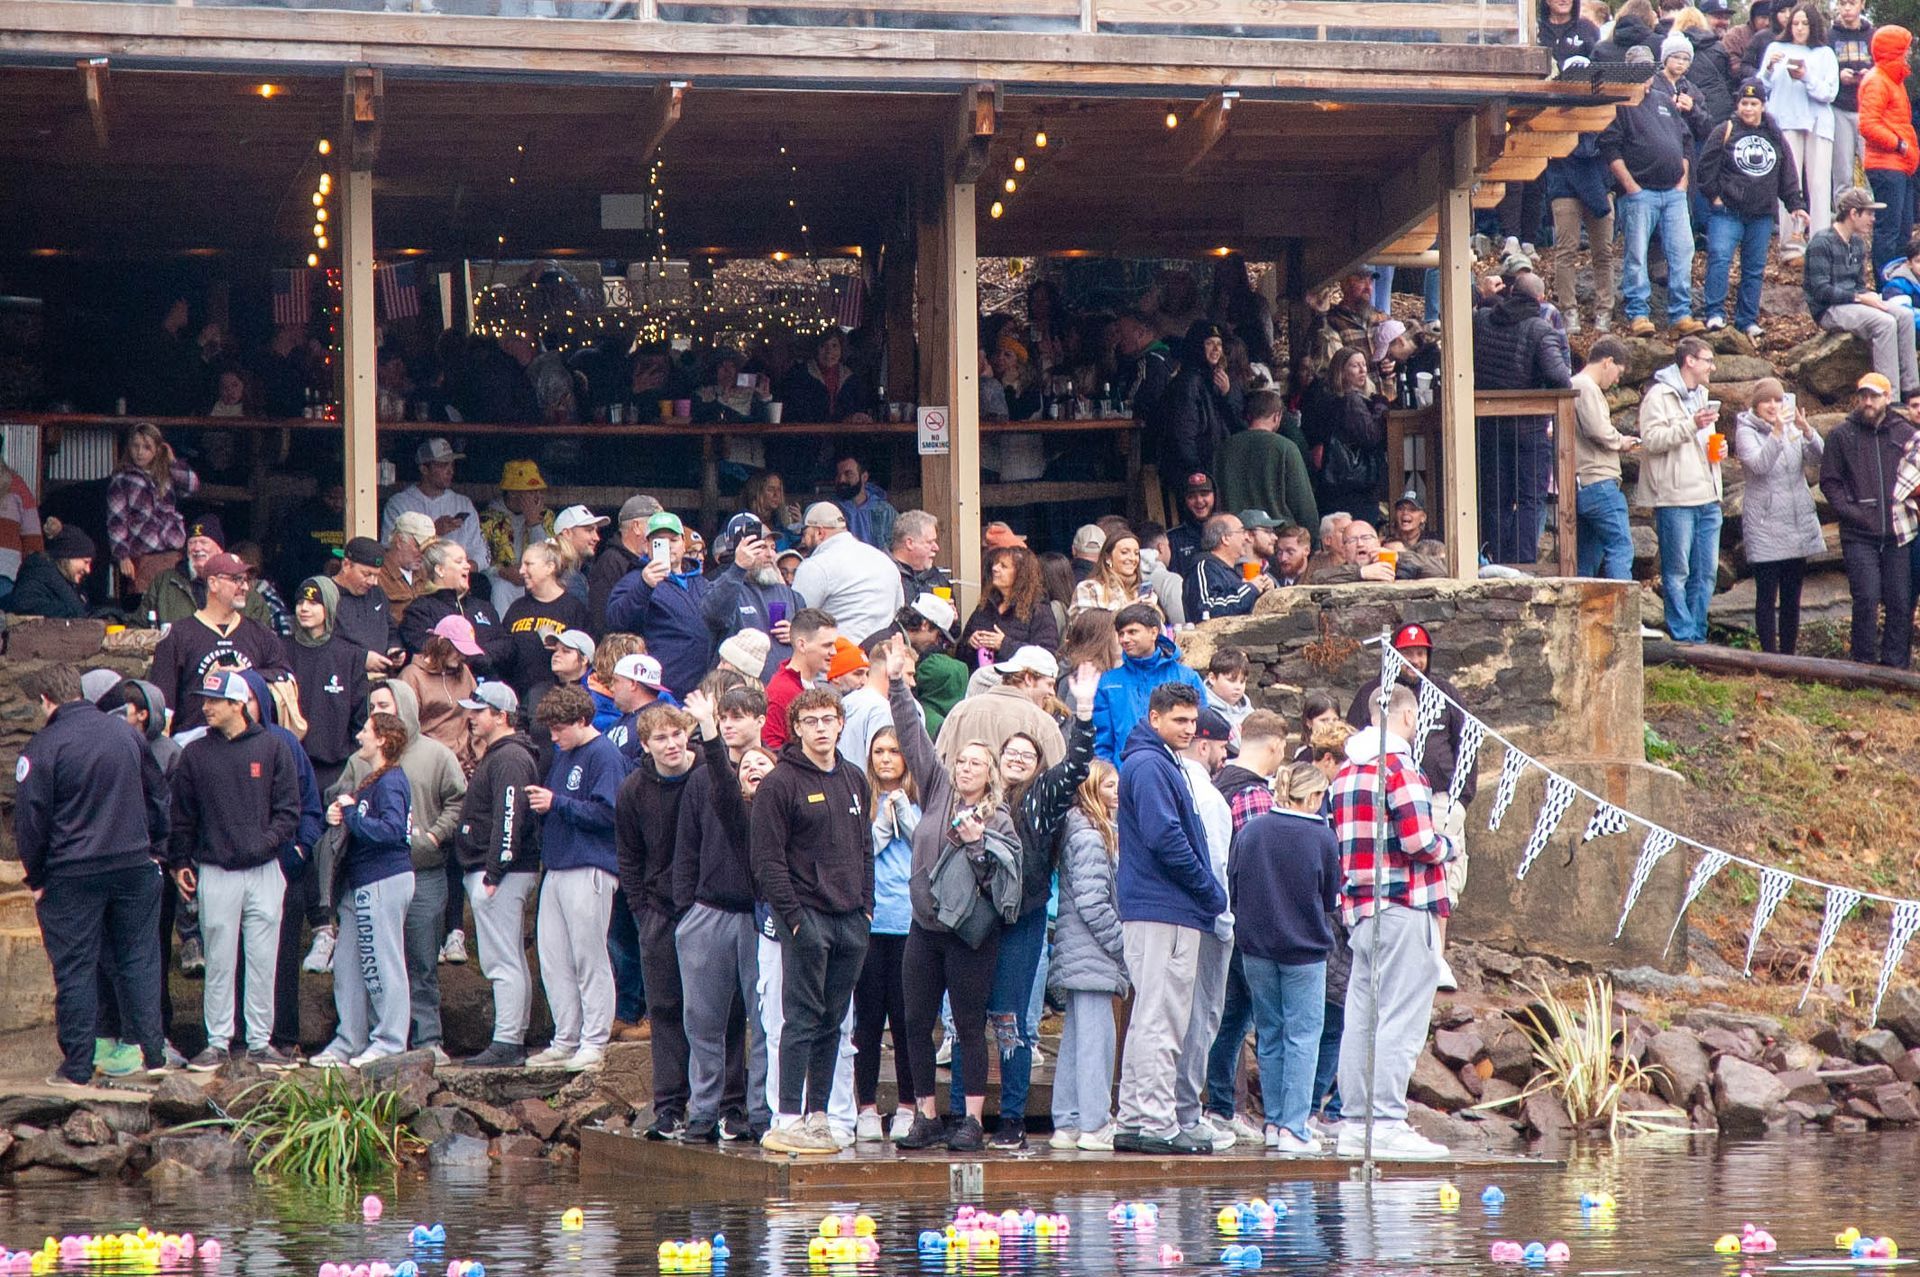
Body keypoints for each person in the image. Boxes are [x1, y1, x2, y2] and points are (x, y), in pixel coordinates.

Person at [937, 652, 1097, 1151]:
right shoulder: (981, 797)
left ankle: (1012, 1119)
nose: (1020, 759)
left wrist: (1085, 712)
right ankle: (967, 1117)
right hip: (972, 921)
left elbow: (1075, 768)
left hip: (1021, 919)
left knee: (1010, 1020)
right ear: (999, 759)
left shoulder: (1043, 795)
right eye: (1013, 754)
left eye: (1029, 755)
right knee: (968, 1021)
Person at [886, 663, 1021, 1154]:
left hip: (971, 935)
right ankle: (925, 1115)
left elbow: (1003, 886)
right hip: (924, 927)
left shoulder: (1000, 819)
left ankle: (971, 1119)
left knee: (967, 1026)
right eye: (960, 762)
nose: (964, 769)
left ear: (990, 776)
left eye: (974, 764)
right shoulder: (938, 790)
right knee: (915, 1020)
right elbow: (912, 735)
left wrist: (978, 846)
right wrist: (899, 684)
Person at [17, 664, 171, 1090]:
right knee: (140, 959)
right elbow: (158, 796)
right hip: (133, 865)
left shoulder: (44, 746)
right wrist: (156, 848)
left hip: (72, 871)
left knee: (76, 968)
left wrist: (37, 876)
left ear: (47, 702)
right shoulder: (127, 735)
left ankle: (79, 1066)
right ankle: (154, 1056)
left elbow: (31, 822)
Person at [1331, 684, 1455, 1159]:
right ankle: (1384, 1120)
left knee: (1361, 1019)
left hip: (1361, 913)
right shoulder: (1399, 767)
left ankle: (1354, 1122)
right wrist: (1451, 846)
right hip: (1404, 905)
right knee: (1400, 1019)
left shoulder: (1344, 772)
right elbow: (1420, 842)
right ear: (1406, 718)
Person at [750, 687, 871, 1154]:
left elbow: (865, 850)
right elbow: (766, 861)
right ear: (796, 728)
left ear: (841, 723)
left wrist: (866, 908)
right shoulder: (780, 783)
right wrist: (795, 921)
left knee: (833, 1022)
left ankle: (818, 1115)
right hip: (805, 916)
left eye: (829, 719)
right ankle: (787, 1116)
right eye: (812, 721)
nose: (821, 728)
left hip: (850, 920)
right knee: (798, 1020)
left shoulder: (855, 779)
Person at [1111, 683, 1226, 1155]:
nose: (1188, 728)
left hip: (1154, 908)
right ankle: (1158, 1122)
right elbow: (1165, 837)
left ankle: (1136, 1120)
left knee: (1148, 1015)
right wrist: (1209, 889)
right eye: (1178, 720)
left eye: (1191, 720)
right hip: (1167, 908)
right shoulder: (1153, 764)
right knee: (1163, 1020)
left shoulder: (1148, 761)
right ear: (1154, 718)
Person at [169, 671, 302, 1071]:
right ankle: (217, 1040)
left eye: (214, 700)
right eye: (205, 699)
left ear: (237, 704)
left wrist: (263, 845)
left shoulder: (274, 747)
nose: (206, 706)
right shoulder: (195, 753)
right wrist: (180, 862)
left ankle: (260, 1041)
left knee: (264, 957)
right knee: (220, 957)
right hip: (216, 869)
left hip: (264, 870)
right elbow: (182, 817)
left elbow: (289, 812)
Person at [673, 690, 772, 1143]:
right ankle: (703, 1110)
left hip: (759, 916)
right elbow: (686, 845)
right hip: (708, 909)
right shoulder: (703, 780)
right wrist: (686, 908)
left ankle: (760, 1109)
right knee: (702, 1021)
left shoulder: (776, 781)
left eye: (738, 717)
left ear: (761, 720)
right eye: (722, 718)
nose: (729, 725)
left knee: (764, 1020)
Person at [1231, 762, 1340, 1153]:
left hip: (1255, 949)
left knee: (1270, 1033)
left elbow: (1235, 883)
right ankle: (1295, 1127)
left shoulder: (1252, 830)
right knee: (1303, 1036)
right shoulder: (1322, 837)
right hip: (1304, 950)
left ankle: (1275, 1123)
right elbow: (1330, 898)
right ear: (1312, 797)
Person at [526, 683, 624, 1070]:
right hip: (558, 865)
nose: (553, 737)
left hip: (591, 866)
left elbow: (609, 814)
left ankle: (594, 1041)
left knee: (589, 957)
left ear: (582, 721)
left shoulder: (604, 755)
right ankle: (565, 1037)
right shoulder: (563, 753)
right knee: (554, 959)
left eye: (559, 728)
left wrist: (557, 804)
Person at [311, 712, 416, 1068]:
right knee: (347, 963)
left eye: (365, 731)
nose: (359, 737)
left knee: (381, 960)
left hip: (383, 878)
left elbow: (391, 831)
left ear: (383, 739)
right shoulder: (372, 780)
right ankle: (349, 1040)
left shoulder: (392, 782)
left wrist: (353, 815)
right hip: (359, 883)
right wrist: (338, 814)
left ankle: (389, 1040)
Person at [451, 682, 541, 1068]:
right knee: (508, 958)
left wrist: (494, 870)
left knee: (502, 960)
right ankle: (511, 1036)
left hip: (501, 874)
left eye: (479, 710)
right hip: (497, 870)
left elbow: (510, 815)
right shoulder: (502, 755)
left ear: (501, 716)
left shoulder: (509, 758)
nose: (470, 717)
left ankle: (507, 1040)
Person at [1602, 35, 1708, 336]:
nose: (1644, 75)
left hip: (1673, 193)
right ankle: (1637, 313)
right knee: (1635, 254)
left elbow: (1686, 140)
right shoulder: (1619, 103)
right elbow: (1610, 149)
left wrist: (1682, 180)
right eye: (1637, 69)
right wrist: (1631, 187)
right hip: (1639, 194)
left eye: (1648, 69)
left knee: (1682, 252)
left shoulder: (1664, 99)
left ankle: (1681, 315)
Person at [1048, 759, 1125, 1150]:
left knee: (1077, 1040)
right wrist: (1121, 942)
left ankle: (1067, 1122)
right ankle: (1094, 1123)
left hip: (1077, 952)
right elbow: (1094, 902)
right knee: (1097, 1042)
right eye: (1109, 786)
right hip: (1091, 953)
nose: (1117, 792)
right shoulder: (1092, 837)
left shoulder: (1080, 830)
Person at [1473, 272, 1573, 564]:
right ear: (1540, 299)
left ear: (1512, 290)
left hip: (1487, 426)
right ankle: (1524, 562)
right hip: (1528, 428)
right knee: (1530, 498)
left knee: (1496, 497)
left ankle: (1494, 559)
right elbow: (1560, 378)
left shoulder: (1481, 320)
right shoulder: (1540, 329)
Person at [1821, 371, 1917, 666]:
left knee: (1900, 601)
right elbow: (1830, 482)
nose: (1867, 401)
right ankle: (1861, 664)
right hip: (1859, 532)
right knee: (1866, 598)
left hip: (1899, 531)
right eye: (1863, 395)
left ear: (1888, 398)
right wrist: (1852, 512)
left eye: (1874, 396)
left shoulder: (1905, 433)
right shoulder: (1841, 435)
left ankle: (1895, 665)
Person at [1700, 79, 1808, 337]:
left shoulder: (1773, 133)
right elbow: (1705, 167)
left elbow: (1787, 172)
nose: (1748, 109)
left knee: (1754, 268)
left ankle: (1746, 319)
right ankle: (1714, 313)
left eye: (1754, 103)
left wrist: (1795, 203)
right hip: (1727, 212)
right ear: (1737, 105)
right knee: (1719, 258)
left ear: (1763, 105)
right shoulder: (1724, 130)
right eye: (1744, 103)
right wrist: (1714, 196)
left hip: (1761, 214)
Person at [852, 725, 918, 1143]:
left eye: (894, 751)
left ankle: (910, 1105)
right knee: (869, 1021)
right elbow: (857, 854)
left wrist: (907, 820)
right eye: (879, 751)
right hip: (871, 923)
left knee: (909, 1020)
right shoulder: (861, 800)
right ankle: (867, 1108)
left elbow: (931, 847)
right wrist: (879, 829)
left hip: (911, 923)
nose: (886, 758)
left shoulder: (923, 801)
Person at [1638, 337, 1725, 644]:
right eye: (1708, 360)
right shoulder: (1658, 396)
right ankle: (1683, 634)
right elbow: (1651, 440)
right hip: (1676, 498)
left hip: (1709, 497)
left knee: (1707, 574)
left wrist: (1719, 450)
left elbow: (1698, 442)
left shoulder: (1703, 395)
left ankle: (1697, 634)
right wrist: (1691, 425)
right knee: (1677, 573)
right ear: (1690, 361)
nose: (1712, 366)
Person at [149, 550, 290, 736]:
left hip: (248, 740)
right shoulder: (179, 634)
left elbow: (285, 675)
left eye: (246, 580)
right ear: (213, 583)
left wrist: (247, 676)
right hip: (195, 742)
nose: (245, 587)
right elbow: (162, 704)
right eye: (236, 579)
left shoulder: (259, 633)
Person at [1736, 380, 1826, 655]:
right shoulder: (1745, 431)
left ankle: (1789, 654)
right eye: (1766, 402)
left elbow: (1822, 456)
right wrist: (1776, 433)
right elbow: (1759, 465)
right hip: (1765, 521)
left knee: (1792, 594)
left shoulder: (1791, 427)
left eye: (1777, 401)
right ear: (1756, 405)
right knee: (1766, 594)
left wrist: (1807, 430)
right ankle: (1769, 655)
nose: (1773, 407)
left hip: (1796, 519)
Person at [1805, 188, 1920, 404]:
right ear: (1853, 214)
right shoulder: (1822, 243)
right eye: (1869, 214)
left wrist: (1870, 296)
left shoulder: (1857, 244)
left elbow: (1858, 284)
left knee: (1903, 317)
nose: (1873, 219)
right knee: (1884, 323)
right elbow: (1820, 291)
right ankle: (1890, 399)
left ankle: (1912, 392)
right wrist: (1860, 298)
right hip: (1828, 309)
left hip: (1854, 302)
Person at [608, 512, 714, 698]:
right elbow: (616, 621)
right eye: (659, 541)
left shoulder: (701, 582)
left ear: (683, 543)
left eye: (673, 540)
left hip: (706, 690)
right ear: (647, 546)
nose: (669, 547)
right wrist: (644, 586)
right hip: (666, 692)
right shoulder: (634, 580)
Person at [1760, 2, 1838, 246]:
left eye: (1805, 23)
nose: (1800, 28)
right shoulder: (1776, 47)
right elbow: (1761, 87)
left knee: (1819, 185)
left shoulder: (1824, 53)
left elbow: (1829, 93)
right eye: (1795, 23)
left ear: (1814, 26)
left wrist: (1805, 77)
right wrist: (1770, 68)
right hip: (1786, 121)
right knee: (1789, 185)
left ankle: (1820, 243)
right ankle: (1789, 242)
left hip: (1817, 123)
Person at [1091, 604, 1204, 765]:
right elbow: (1102, 743)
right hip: (1124, 777)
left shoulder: (1186, 677)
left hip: (1178, 773)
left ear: (1153, 632)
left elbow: (1201, 731)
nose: (1124, 639)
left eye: (1132, 632)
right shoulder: (1108, 683)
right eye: (1121, 634)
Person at [705, 514, 804, 683]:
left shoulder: (791, 595)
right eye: (761, 547)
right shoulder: (724, 587)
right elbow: (714, 616)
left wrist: (797, 635)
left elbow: (813, 643)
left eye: (773, 547)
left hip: (783, 694)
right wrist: (738, 567)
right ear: (740, 550)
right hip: (737, 694)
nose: (770, 554)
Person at [1571, 338, 1641, 580]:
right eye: (1618, 373)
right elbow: (1597, 429)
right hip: (1599, 482)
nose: (1617, 380)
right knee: (1621, 546)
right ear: (1608, 361)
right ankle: (1621, 611)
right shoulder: (1585, 386)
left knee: (1587, 558)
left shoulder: (1574, 385)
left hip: (1583, 483)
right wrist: (1620, 441)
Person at [107, 422, 201, 595]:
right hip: (144, 553)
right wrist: (122, 555)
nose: (140, 452)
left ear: (157, 450)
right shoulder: (122, 479)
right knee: (148, 599)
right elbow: (117, 520)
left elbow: (192, 485)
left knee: (174, 597)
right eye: (136, 446)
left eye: (146, 447)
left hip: (172, 550)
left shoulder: (167, 473)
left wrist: (172, 461)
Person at [792, 503, 904, 647]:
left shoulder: (815, 566)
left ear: (820, 533)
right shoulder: (884, 561)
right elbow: (899, 613)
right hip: (883, 660)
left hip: (839, 663)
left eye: (805, 534)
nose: (802, 541)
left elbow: (797, 622)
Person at [934, 645, 1066, 768]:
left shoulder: (960, 711)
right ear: (1028, 679)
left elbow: (937, 768)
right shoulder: (1043, 724)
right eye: (1049, 684)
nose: (1052, 692)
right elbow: (1058, 780)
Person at [397, 539, 508, 675]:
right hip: (444, 687)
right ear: (440, 570)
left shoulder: (483, 606)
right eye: (459, 561)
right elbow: (426, 649)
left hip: (490, 685)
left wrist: (483, 655)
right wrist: (471, 656)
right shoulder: (420, 610)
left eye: (467, 561)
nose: (467, 566)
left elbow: (506, 644)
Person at [1216, 389, 1319, 534]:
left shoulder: (1224, 449)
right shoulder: (1286, 448)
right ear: (1277, 416)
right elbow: (1303, 504)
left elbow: (1217, 499)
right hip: (1279, 539)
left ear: (1248, 416)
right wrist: (1313, 541)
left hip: (1236, 537)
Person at [1858, 26, 1916, 283]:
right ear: (1895, 50)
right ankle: (1885, 287)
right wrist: (1899, 145)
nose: (1910, 52)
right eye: (1906, 48)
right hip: (1886, 165)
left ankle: (1901, 287)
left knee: (1903, 230)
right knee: (1889, 231)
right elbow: (1868, 125)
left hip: (1901, 166)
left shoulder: (1894, 80)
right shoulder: (1877, 80)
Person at [1305, 346, 1388, 524]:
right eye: (1355, 366)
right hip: (1354, 484)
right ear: (1341, 371)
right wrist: (1380, 408)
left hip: (1338, 483)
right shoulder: (1351, 400)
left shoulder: (1332, 397)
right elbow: (1371, 436)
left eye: (1364, 365)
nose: (1362, 370)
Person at [499, 541, 592, 701]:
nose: (521, 571)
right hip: (517, 700)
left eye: (528, 564)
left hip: (557, 702)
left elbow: (586, 659)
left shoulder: (573, 608)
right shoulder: (517, 608)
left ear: (550, 567)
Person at [381, 438, 488, 573]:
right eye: (443, 465)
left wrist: (463, 569)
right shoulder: (399, 504)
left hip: (456, 583)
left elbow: (479, 551)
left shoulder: (463, 504)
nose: (450, 471)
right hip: (414, 583)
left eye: (451, 465)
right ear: (424, 469)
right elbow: (390, 552)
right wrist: (433, 533)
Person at [1159, 320, 1242, 481]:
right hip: (1196, 472)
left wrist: (1227, 394)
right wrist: (1196, 472)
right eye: (1210, 343)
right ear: (1197, 346)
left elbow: (1237, 422)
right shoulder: (1188, 382)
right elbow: (1183, 434)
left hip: (1216, 466)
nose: (1217, 349)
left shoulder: (1218, 378)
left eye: (1219, 344)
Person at [402, 618, 483, 774]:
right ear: (441, 642)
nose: (463, 656)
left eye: (465, 651)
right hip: (429, 765)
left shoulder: (464, 672)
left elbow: (478, 714)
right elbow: (406, 729)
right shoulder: (412, 676)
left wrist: (476, 757)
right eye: (458, 649)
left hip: (465, 763)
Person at [479, 459, 554, 617]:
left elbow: (550, 555)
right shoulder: (488, 519)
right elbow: (478, 557)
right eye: (530, 492)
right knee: (502, 588)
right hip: (501, 581)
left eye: (538, 491)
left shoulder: (545, 516)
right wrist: (500, 571)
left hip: (536, 578)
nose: (537, 497)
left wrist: (534, 523)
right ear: (512, 492)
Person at [962, 545, 1059, 664]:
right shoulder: (986, 605)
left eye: (1003, 566)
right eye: (996, 564)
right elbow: (959, 652)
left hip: (1017, 680)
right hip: (980, 678)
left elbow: (1047, 656)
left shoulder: (1039, 610)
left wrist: (1004, 645)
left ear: (1020, 575)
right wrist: (970, 643)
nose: (995, 568)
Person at [762, 607, 839, 751]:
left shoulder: (807, 686)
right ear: (802, 645)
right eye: (827, 645)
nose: (834, 652)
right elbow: (770, 749)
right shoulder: (781, 692)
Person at [589, 495, 659, 637]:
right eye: (654, 526)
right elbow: (601, 618)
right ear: (637, 527)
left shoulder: (649, 563)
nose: (658, 533)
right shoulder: (611, 562)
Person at [1829, 0, 1874, 212]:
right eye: (1843, 3)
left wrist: (1868, 75)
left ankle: (1871, 217)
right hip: (1840, 107)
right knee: (1842, 170)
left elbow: (1881, 67)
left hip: (1867, 108)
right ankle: (1842, 218)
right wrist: (1838, 76)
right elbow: (1821, 70)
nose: (1847, 8)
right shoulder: (1830, 36)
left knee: (1871, 167)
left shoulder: (1871, 34)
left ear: (1862, 4)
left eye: (1852, 3)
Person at [1185, 514, 1272, 620]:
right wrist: (1250, 589)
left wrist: (1266, 591)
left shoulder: (1235, 570)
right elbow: (1206, 608)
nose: (1246, 537)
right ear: (1225, 539)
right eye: (1241, 532)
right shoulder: (1204, 567)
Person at [776, 330, 873, 424]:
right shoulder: (798, 376)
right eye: (823, 346)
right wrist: (841, 421)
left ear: (842, 349)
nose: (829, 351)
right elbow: (797, 415)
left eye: (834, 346)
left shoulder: (851, 379)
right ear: (815, 349)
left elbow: (860, 409)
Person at [10, 525, 97, 619]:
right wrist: (67, 612)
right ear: (68, 556)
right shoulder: (39, 573)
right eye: (86, 562)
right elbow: (24, 604)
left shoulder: (68, 582)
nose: (88, 570)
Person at [1071, 525, 1151, 617]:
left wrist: (1153, 612)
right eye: (1124, 552)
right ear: (1108, 557)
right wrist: (1125, 612)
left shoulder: (1140, 591)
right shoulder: (1089, 589)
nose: (1133, 558)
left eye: (1136, 553)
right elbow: (1085, 627)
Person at [379, 512, 434, 622]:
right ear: (399, 541)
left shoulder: (428, 574)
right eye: (419, 546)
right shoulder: (377, 575)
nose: (424, 553)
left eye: (429, 547)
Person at [888, 510, 948, 604]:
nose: (936, 548)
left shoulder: (936, 578)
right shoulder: (882, 575)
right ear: (910, 543)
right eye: (929, 542)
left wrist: (948, 615)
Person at [1166, 473, 1217, 578]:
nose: (1199, 501)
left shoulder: (1230, 531)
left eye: (1204, 494)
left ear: (1215, 496)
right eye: (1191, 496)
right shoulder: (1172, 539)